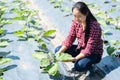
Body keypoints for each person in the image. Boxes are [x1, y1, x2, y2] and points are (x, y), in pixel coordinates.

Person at [55, 1, 103, 74]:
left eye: (79, 16)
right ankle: (81, 60)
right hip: (81, 49)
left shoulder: (94, 26)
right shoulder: (76, 22)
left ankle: (91, 66)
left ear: (86, 13)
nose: (77, 19)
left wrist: (74, 58)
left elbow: (89, 49)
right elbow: (70, 38)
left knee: (79, 66)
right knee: (58, 50)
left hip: (93, 53)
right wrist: (60, 52)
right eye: (75, 16)